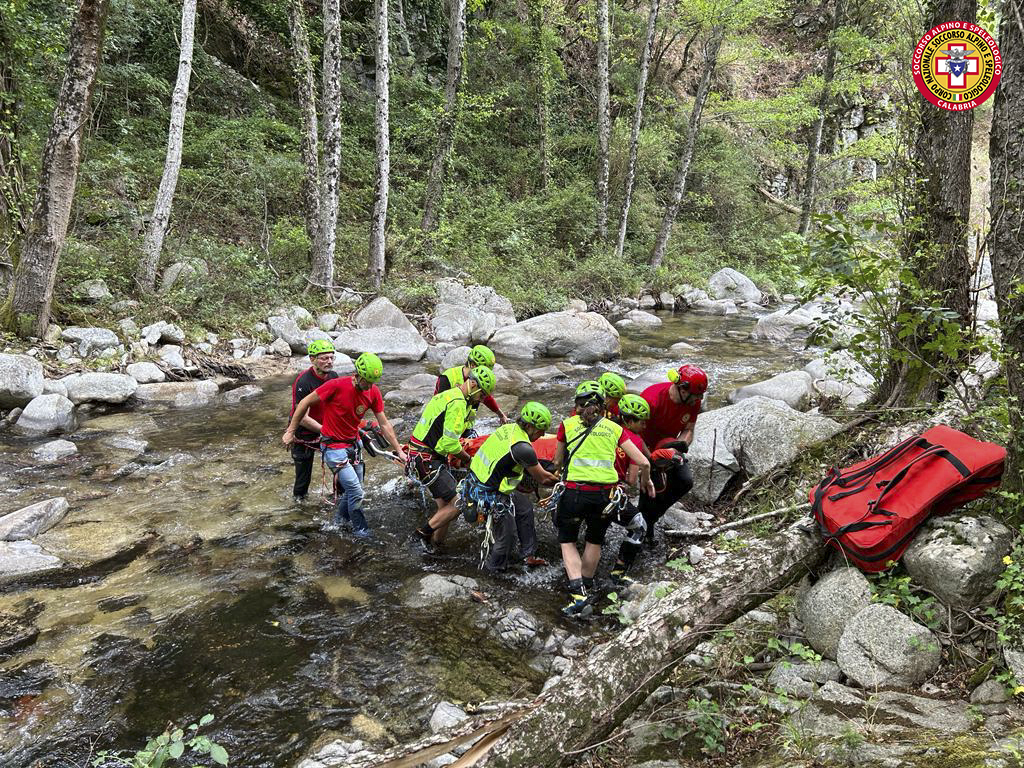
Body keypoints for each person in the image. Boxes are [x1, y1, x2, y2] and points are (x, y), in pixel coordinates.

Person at [552, 381, 654, 616]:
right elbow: (644, 462)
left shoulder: (566, 425)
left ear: (577, 405)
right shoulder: (614, 428)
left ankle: (578, 595)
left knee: (567, 541)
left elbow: (557, 462)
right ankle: (588, 584)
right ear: (603, 406)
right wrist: (646, 481)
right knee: (594, 540)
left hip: (574, 493)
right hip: (604, 496)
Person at [283, 352, 407, 537]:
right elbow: (303, 404)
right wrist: (291, 431)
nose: (370, 386)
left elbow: (384, 423)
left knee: (353, 489)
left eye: (373, 382)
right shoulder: (335, 385)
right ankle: (362, 531)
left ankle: (338, 522)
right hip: (333, 448)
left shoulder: (372, 391)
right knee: (356, 491)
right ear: (357, 375)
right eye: (367, 381)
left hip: (353, 445)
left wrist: (398, 450)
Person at [464, 402, 558, 572]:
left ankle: (528, 555)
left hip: (477, 482)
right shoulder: (522, 448)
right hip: (488, 494)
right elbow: (544, 479)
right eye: (540, 430)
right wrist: (563, 481)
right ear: (529, 426)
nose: (543, 434)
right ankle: (493, 572)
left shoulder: (509, 428)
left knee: (524, 508)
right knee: (507, 537)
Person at [411, 365, 497, 547]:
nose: (481, 400)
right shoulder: (458, 403)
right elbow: (449, 443)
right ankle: (421, 534)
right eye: (481, 395)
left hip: (421, 455)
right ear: (473, 384)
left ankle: (436, 546)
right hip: (427, 459)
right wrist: (468, 460)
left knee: (446, 507)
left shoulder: (449, 394)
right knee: (461, 501)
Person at [638, 364, 707, 546]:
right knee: (649, 488)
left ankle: (652, 515)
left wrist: (679, 448)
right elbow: (633, 433)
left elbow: (688, 430)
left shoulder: (693, 401)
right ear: (682, 389)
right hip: (643, 448)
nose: (699, 400)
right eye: (696, 395)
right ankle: (645, 527)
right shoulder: (652, 399)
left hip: (669, 447)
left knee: (685, 481)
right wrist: (650, 457)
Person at [608, 394, 654, 588]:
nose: (645, 426)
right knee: (640, 526)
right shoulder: (632, 440)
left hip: (583, 487)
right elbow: (632, 479)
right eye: (642, 422)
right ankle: (618, 572)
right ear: (629, 420)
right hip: (610, 492)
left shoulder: (605, 427)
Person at [289, 339, 340, 503]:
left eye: (331, 358)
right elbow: (302, 417)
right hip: (304, 434)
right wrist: (325, 430)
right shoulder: (304, 381)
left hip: (325, 429)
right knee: (303, 479)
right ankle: (299, 507)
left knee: (340, 466)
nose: (329, 362)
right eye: (324, 358)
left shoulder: (333, 377)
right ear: (312, 359)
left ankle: (338, 497)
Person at [435, 344, 508, 435]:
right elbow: (438, 409)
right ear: (473, 365)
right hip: (445, 429)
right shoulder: (448, 378)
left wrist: (501, 415)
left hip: (465, 429)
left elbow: (487, 398)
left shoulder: (479, 383)